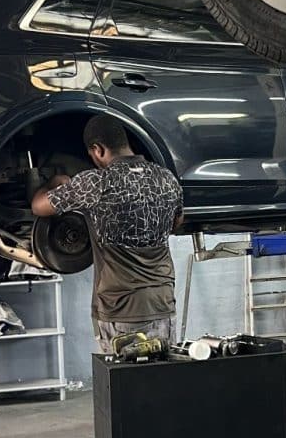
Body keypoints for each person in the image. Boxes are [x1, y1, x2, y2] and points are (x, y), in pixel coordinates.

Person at [31, 113, 183, 353]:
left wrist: (54, 182)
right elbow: (176, 224)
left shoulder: (96, 183)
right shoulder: (167, 179)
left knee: (124, 378)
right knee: (162, 375)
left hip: (121, 313)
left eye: (92, 155)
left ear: (98, 149)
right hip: (163, 306)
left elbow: (38, 206)